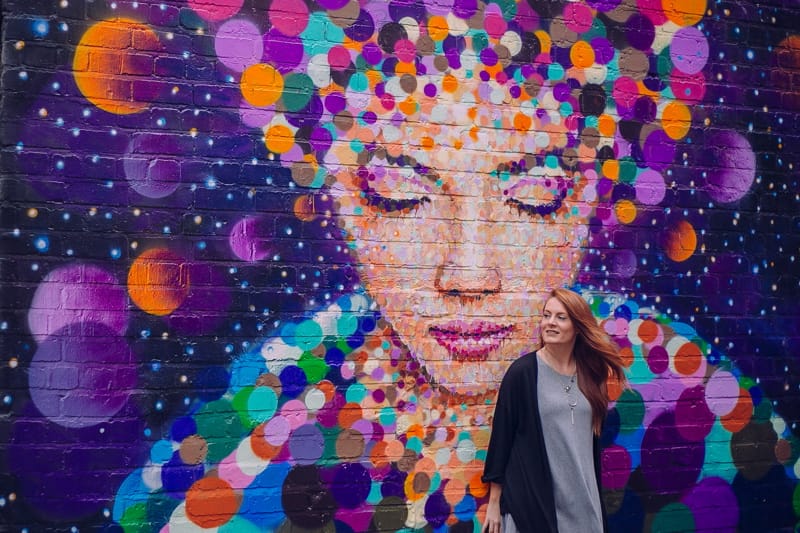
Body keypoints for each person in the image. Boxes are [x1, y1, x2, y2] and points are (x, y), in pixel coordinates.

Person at [103, 0, 800, 531]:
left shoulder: (690, 405)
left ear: (596, 195)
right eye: (399, 193)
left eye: (535, 195)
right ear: (334, 191)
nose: (469, 273)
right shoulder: (263, 429)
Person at [482, 288, 626, 533]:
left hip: (583, 502)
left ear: (577, 327)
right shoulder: (523, 373)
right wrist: (494, 503)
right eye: (546, 315)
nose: (550, 322)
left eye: (561, 317)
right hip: (534, 504)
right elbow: (501, 439)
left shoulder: (592, 375)